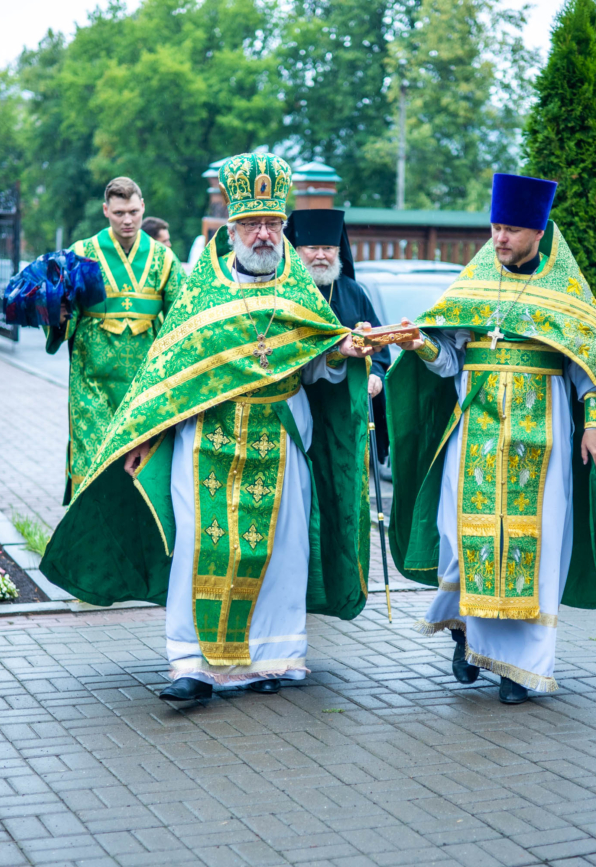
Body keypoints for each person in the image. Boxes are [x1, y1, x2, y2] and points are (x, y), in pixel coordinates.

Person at [40, 153, 378, 703]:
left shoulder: (301, 291)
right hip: (207, 445)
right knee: (202, 547)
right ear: (234, 228)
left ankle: (273, 656)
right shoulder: (203, 287)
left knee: (279, 549)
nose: (263, 234)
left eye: (272, 224)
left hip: (280, 433)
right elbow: (167, 371)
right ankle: (191, 664)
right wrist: (147, 437)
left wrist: (341, 350)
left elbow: (318, 364)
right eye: (252, 224)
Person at [385, 173, 596, 704]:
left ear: (538, 231)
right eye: (495, 227)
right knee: (461, 542)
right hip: (473, 441)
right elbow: (449, 361)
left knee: (531, 555)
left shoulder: (565, 295)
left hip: (541, 453)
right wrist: (420, 343)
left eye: (511, 229)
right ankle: (467, 633)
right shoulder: (473, 284)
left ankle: (519, 669)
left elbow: (593, 367)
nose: (499, 238)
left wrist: (594, 424)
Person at [46, 178, 182, 504]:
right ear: (106, 210)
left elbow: (180, 320)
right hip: (90, 384)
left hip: (141, 388)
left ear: (143, 207)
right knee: (93, 464)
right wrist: (58, 313)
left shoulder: (164, 260)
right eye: (119, 212)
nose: (127, 220)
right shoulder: (80, 254)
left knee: (141, 471)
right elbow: (66, 315)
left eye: (134, 211)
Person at [286, 208, 391, 463]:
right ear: (296, 251)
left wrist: (376, 374)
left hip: (344, 410)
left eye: (329, 248)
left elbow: (380, 345)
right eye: (312, 247)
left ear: (338, 251)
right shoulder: (285, 292)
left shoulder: (353, 292)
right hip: (297, 403)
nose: (321, 256)